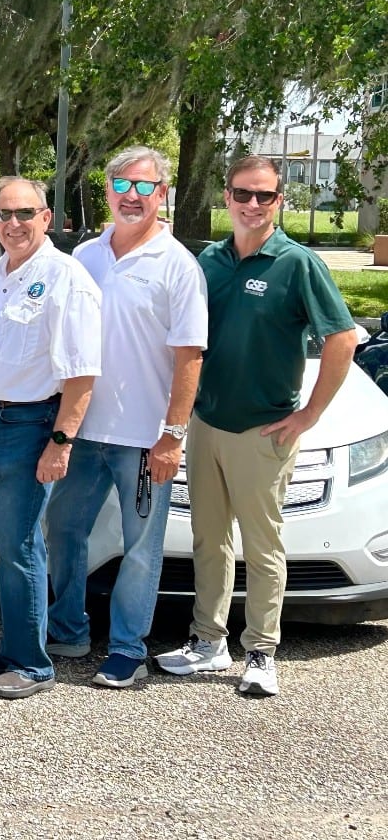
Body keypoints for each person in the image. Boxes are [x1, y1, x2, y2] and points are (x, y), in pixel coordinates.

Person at [156, 156, 356, 697]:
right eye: (243, 194)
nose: (252, 205)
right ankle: (208, 642)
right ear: (227, 197)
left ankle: (262, 651)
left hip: (263, 431)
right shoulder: (211, 262)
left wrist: (309, 415)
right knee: (209, 539)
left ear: (279, 202)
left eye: (264, 196)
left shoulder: (296, 264)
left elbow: (342, 337)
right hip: (206, 423)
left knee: (262, 545)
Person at [46, 148, 207, 688]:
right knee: (65, 531)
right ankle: (67, 630)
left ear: (163, 193)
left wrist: (172, 435)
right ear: (108, 189)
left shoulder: (179, 266)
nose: (131, 196)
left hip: (143, 439)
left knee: (142, 548)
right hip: (82, 432)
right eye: (121, 185)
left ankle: (126, 648)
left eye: (144, 186)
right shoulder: (86, 257)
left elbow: (190, 357)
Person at [0, 177, 102, 700]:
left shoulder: (67, 278)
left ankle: (33, 664)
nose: (12, 223)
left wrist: (61, 442)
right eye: (2, 214)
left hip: (29, 426)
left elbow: (82, 373)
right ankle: (14, 646)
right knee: (4, 540)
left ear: (47, 217)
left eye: (24, 213)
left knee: (19, 543)